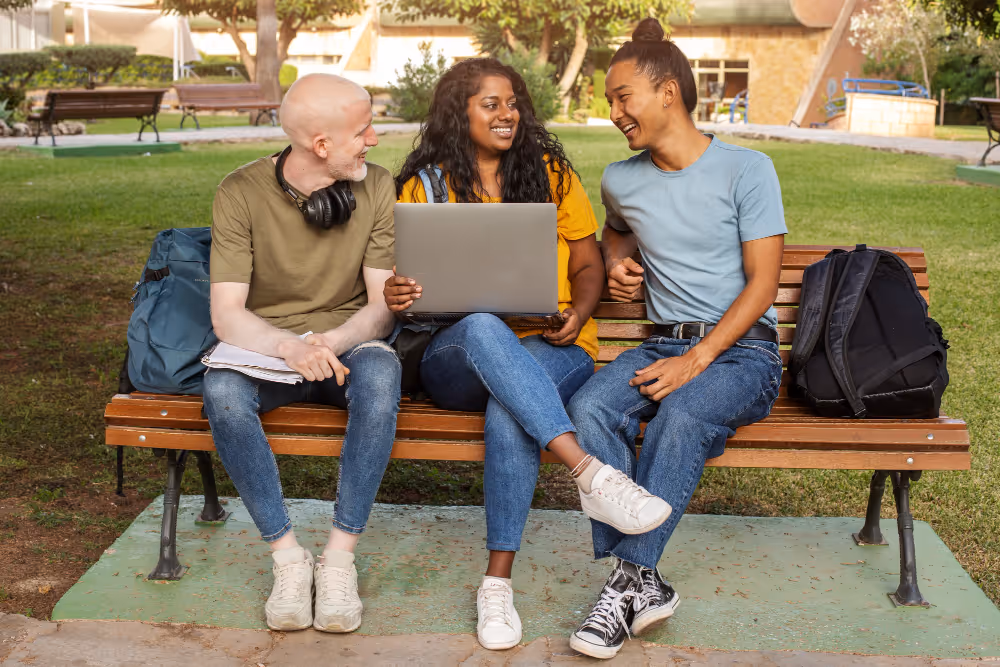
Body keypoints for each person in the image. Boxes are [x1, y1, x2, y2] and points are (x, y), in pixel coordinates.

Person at [382, 58, 671, 652]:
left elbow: (588, 264)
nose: (507, 113)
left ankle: (496, 585)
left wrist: (579, 312)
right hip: (458, 352)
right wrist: (400, 293)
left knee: (508, 411)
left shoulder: (549, 174)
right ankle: (590, 473)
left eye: (513, 102)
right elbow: (409, 291)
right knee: (487, 323)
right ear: (457, 112)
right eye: (490, 103)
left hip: (553, 345)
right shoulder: (427, 185)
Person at [566, 19, 787, 659]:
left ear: (668, 92)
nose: (613, 113)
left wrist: (700, 359)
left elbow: (763, 285)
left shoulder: (748, 169)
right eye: (609, 100)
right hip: (660, 345)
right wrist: (614, 260)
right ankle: (645, 580)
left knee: (683, 414)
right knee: (587, 409)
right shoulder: (621, 179)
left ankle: (627, 582)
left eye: (621, 96)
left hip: (741, 354)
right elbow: (616, 230)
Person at [203, 74, 401, 634]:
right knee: (221, 391)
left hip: (349, 341)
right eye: (363, 131)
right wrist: (289, 347)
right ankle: (288, 559)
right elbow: (228, 314)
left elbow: (383, 305)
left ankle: (338, 559)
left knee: (382, 376)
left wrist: (331, 344)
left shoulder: (378, 186)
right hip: (269, 347)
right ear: (321, 145)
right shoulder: (238, 191)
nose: (373, 140)